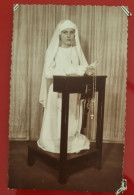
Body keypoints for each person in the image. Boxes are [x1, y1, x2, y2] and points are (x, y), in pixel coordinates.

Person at [37, 20, 95, 153]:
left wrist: (88, 69)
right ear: (59, 35)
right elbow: (48, 72)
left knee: (72, 117)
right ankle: (53, 140)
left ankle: (70, 140)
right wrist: (73, 69)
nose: (68, 35)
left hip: (74, 91)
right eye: (65, 32)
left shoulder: (76, 50)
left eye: (71, 32)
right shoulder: (53, 51)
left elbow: (82, 68)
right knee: (56, 117)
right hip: (57, 91)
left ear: (75, 35)